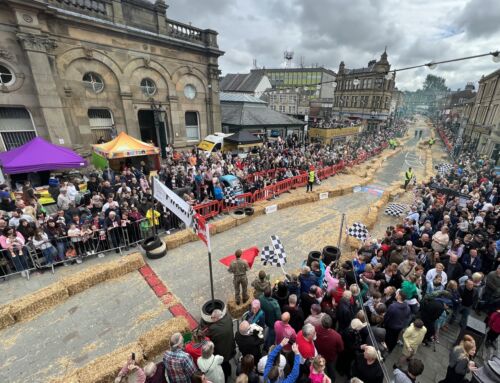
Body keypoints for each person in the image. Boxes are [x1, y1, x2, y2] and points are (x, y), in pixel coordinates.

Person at [207, 309, 235, 380]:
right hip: (230, 346)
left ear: (216, 318)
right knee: (227, 363)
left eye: (212, 318)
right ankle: (229, 372)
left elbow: (209, 337)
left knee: (223, 366)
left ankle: (225, 378)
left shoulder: (213, 328)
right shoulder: (228, 318)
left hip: (221, 352)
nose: (211, 319)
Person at [314, 315, 344, 380]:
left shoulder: (315, 330)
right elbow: (341, 349)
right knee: (331, 371)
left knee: (318, 370)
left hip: (319, 356)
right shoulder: (337, 336)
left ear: (321, 323)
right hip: (331, 358)